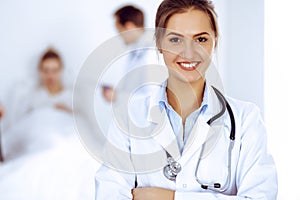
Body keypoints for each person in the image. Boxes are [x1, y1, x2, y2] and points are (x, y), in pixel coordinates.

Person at [95, 0, 277, 199]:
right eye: (175, 40)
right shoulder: (129, 117)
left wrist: (170, 197)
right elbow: (109, 193)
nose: (189, 52)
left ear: (214, 41)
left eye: (200, 39)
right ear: (159, 43)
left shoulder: (246, 120)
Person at [101, 5, 158, 102]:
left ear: (129, 26)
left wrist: (118, 97)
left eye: (119, 30)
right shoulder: (136, 52)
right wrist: (117, 94)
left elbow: (152, 97)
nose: (119, 35)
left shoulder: (151, 52)